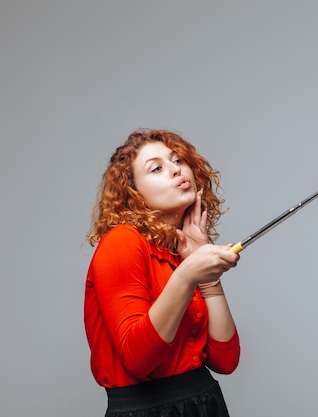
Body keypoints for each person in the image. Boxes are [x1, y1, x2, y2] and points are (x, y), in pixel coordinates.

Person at [84, 128, 241, 417]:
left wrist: (209, 281)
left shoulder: (180, 249)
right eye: (157, 168)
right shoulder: (122, 241)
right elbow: (136, 359)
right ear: (133, 193)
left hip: (206, 402)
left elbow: (226, 360)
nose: (176, 169)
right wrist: (188, 274)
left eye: (178, 160)